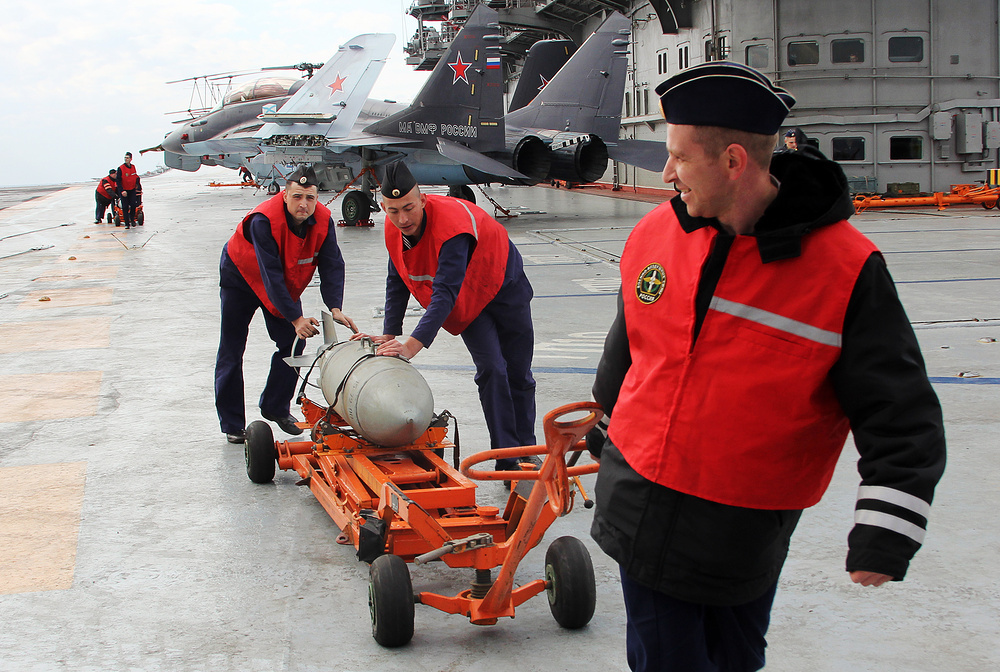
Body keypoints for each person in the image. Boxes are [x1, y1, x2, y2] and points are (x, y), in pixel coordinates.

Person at [587, 61, 946, 672]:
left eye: (679, 157)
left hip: (741, 530)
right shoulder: (655, 233)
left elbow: (900, 408)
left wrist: (885, 533)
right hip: (639, 507)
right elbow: (630, 351)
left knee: (736, 658)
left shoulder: (844, 269)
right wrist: (605, 429)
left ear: (733, 161)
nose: (667, 173)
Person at [357, 162, 536, 469]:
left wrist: (410, 347)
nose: (403, 218)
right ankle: (507, 460)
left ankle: (526, 448)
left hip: (505, 287)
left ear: (423, 200)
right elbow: (398, 276)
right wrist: (389, 334)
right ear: (384, 207)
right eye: (394, 211)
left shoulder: (453, 227)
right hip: (470, 303)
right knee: (492, 370)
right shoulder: (394, 228)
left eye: (409, 208)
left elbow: (444, 293)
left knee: (519, 374)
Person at [214, 165, 357, 444]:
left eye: (310, 198)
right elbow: (270, 275)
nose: (304, 204)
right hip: (241, 278)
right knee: (232, 349)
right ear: (284, 195)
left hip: (281, 281)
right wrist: (295, 318)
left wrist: (335, 306)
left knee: (293, 343)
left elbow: (332, 264)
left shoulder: (324, 221)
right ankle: (232, 423)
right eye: (297, 196)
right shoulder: (263, 221)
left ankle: (275, 406)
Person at [116, 152, 141, 229]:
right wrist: (122, 191)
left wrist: (138, 185)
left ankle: (132, 219)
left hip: (132, 190)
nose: (126, 159)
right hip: (124, 191)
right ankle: (127, 223)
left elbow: (135, 177)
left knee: (133, 205)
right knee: (125, 207)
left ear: (131, 159)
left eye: (127, 158)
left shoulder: (133, 167)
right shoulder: (120, 168)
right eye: (125, 157)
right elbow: (118, 181)